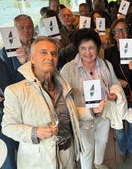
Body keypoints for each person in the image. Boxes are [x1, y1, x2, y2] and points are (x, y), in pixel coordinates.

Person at [1, 36, 83, 169]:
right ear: (32, 58)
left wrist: (92, 111)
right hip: (39, 162)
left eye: (54, 53)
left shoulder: (62, 85)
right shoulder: (15, 91)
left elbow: (70, 112)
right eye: (43, 52)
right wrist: (34, 133)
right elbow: (8, 127)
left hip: (67, 155)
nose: (50, 57)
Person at [60, 28, 124, 169]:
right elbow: (62, 96)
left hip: (103, 113)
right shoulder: (68, 69)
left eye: (91, 48)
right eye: (83, 48)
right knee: (87, 148)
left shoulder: (106, 65)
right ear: (77, 49)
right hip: (83, 117)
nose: (87, 52)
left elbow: (115, 83)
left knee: (102, 141)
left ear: (97, 48)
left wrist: (114, 93)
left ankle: (99, 163)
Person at [105, 19, 132, 162]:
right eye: (117, 31)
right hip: (118, 97)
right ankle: (122, 150)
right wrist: (117, 81)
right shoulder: (108, 53)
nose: (121, 34)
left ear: (129, 33)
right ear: (113, 34)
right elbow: (105, 76)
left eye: (124, 30)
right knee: (119, 125)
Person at [0, 14, 34, 81]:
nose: (26, 30)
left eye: (29, 27)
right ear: (14, 30)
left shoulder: (39, 44)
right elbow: (9, 78)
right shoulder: (6, 52)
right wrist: (22, 64)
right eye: (21, 27)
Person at [0, 58, 18, 169]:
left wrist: (21, 64)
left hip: (8, 113)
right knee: (7, 162)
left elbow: (12, 82)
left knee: (13, 156)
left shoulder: (0, 63)